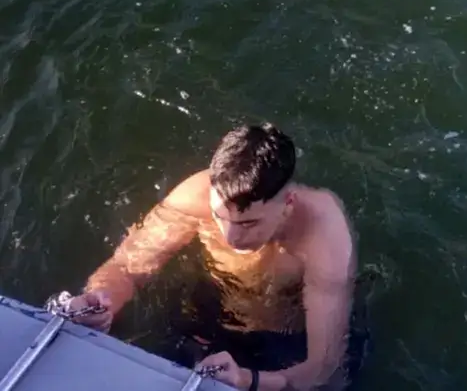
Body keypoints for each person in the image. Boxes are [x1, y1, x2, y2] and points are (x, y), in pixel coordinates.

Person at [65, 123, 360, 391]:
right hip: (211, 306)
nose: (231, 238)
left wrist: (247, 380)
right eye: (219, 217)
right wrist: (101, 298)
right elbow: (126, 267)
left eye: (249, 223)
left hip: (283, 340)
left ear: (288, 203)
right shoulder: (196, 196)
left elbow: (324, 368)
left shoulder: (323, 239)